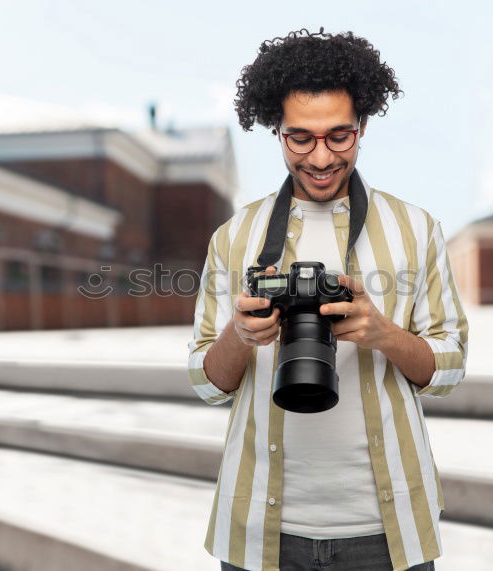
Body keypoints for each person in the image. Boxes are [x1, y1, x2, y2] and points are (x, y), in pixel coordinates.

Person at [188, 27, 469, 571]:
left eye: (340, 136)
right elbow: (205, 381)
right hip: (260, 532)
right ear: (277, 131)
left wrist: (382, 333)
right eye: (301, 138)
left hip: (386, 534)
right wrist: (241, 335)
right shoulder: (234, 237)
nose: (320, 156)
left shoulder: (415, 228)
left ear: (363, 127)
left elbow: (451, 368)